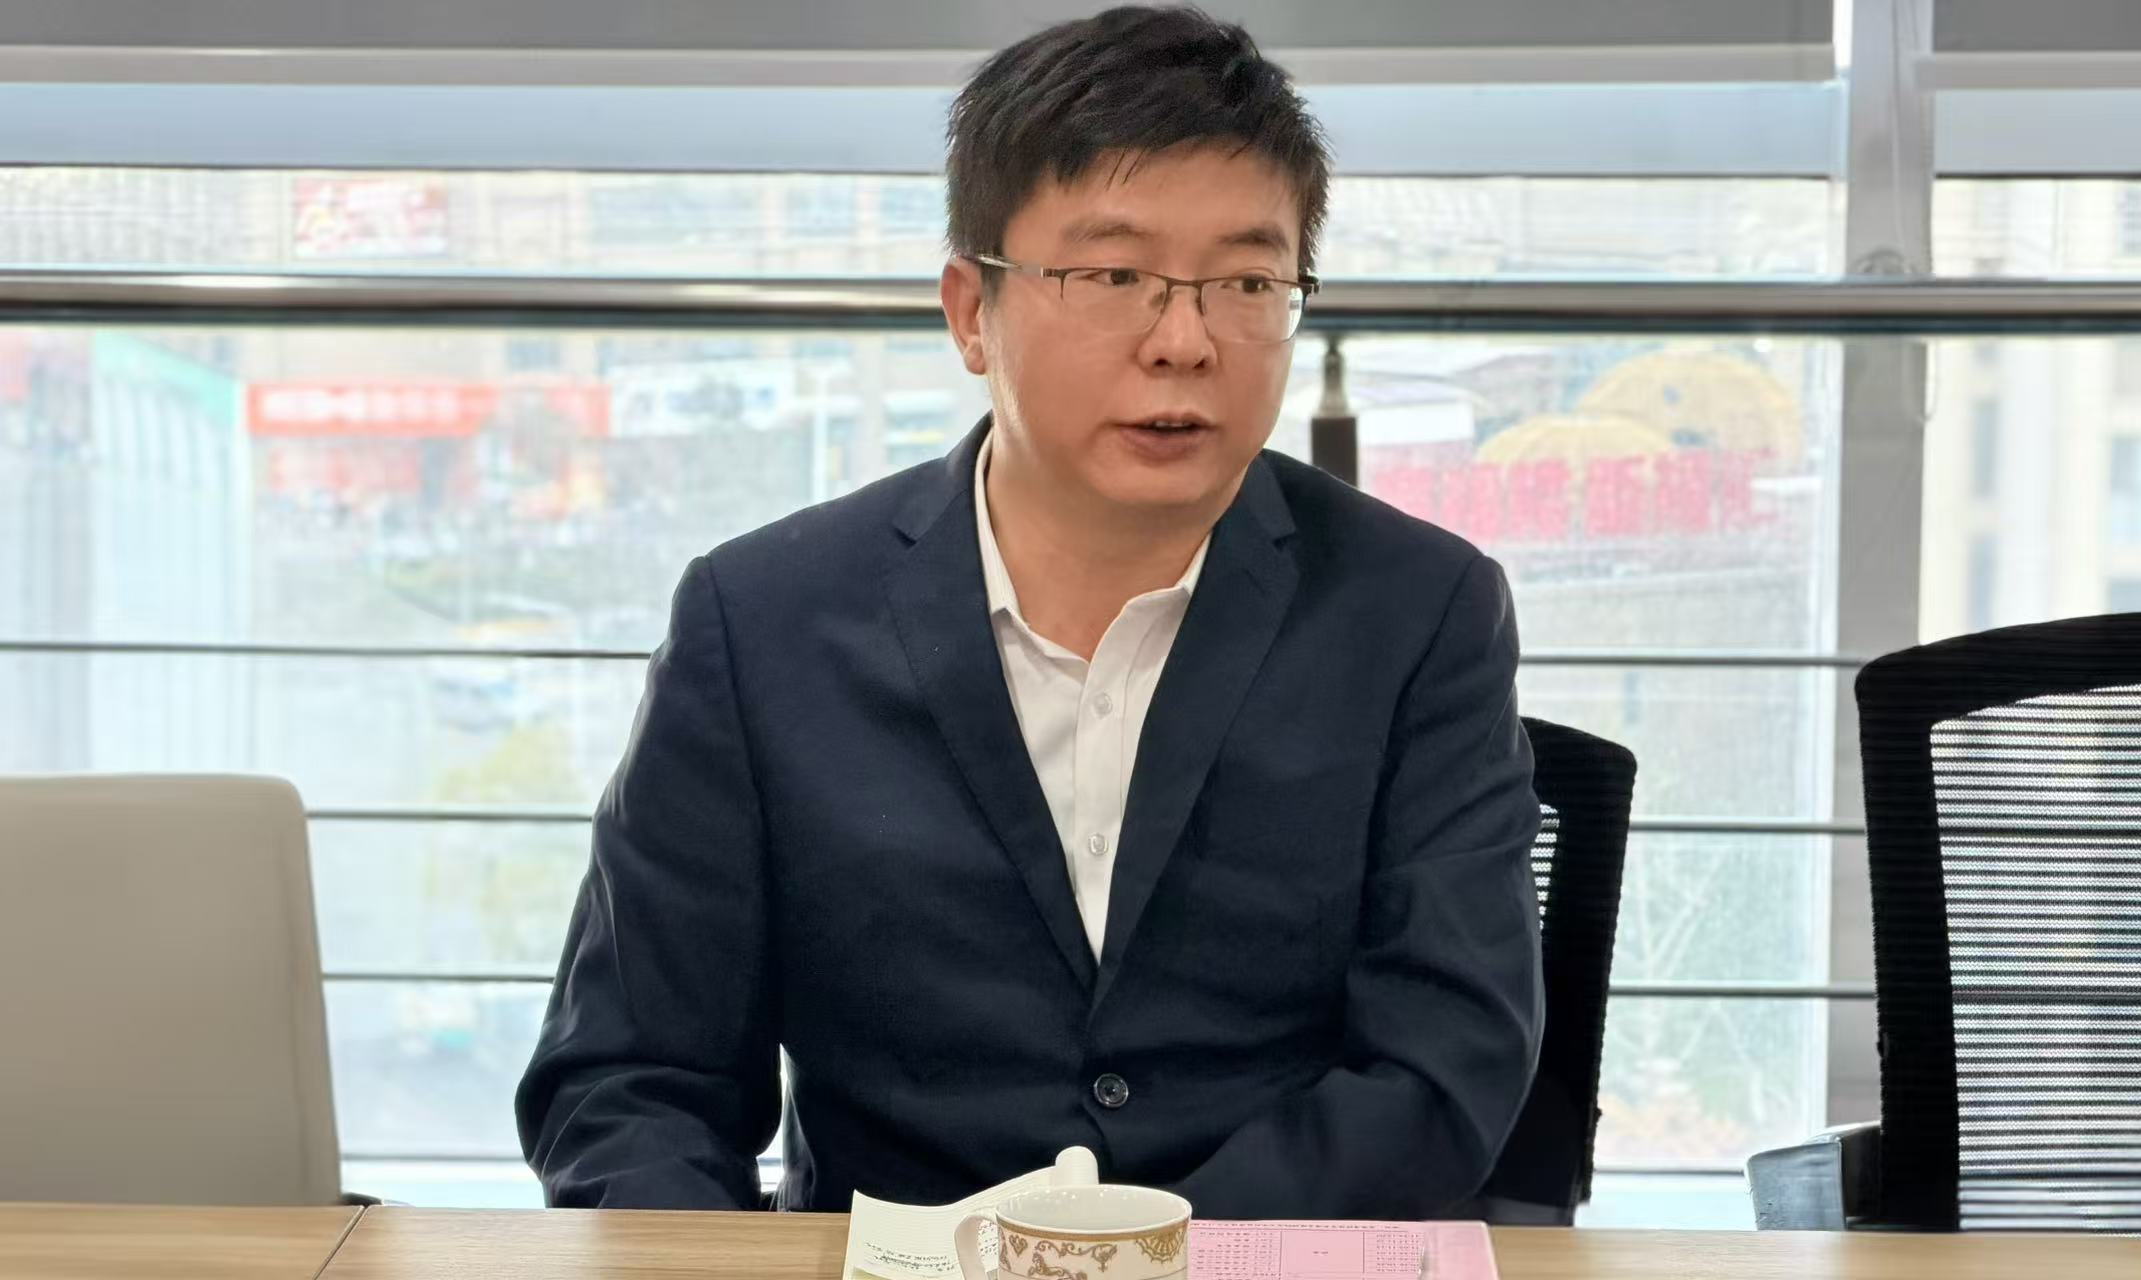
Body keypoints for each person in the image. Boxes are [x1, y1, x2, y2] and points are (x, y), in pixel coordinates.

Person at [517, 3, 1543, 1219]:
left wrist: (1153, 1259)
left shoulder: (1418, 609)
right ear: (971, 310)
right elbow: (632, 1079)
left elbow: (1441, 1061)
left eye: (1246, 280)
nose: (1184, 340)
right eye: (1113, 275)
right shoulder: (759, 621)